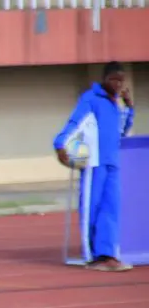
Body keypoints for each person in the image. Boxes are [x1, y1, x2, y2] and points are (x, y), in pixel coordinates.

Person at [54, 61, 135, 272]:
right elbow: (75, 122)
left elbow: (122, 131)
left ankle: (108, 254)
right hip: (94, 162)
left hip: (112, 163)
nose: (117, 84)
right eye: (113, 79)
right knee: (92, 207)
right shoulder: (91, 99)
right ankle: (93, 256)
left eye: (121, 80)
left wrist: (129, 108)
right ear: (104, 79)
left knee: (111, 208)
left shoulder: (116, 104)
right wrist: (60, 144)